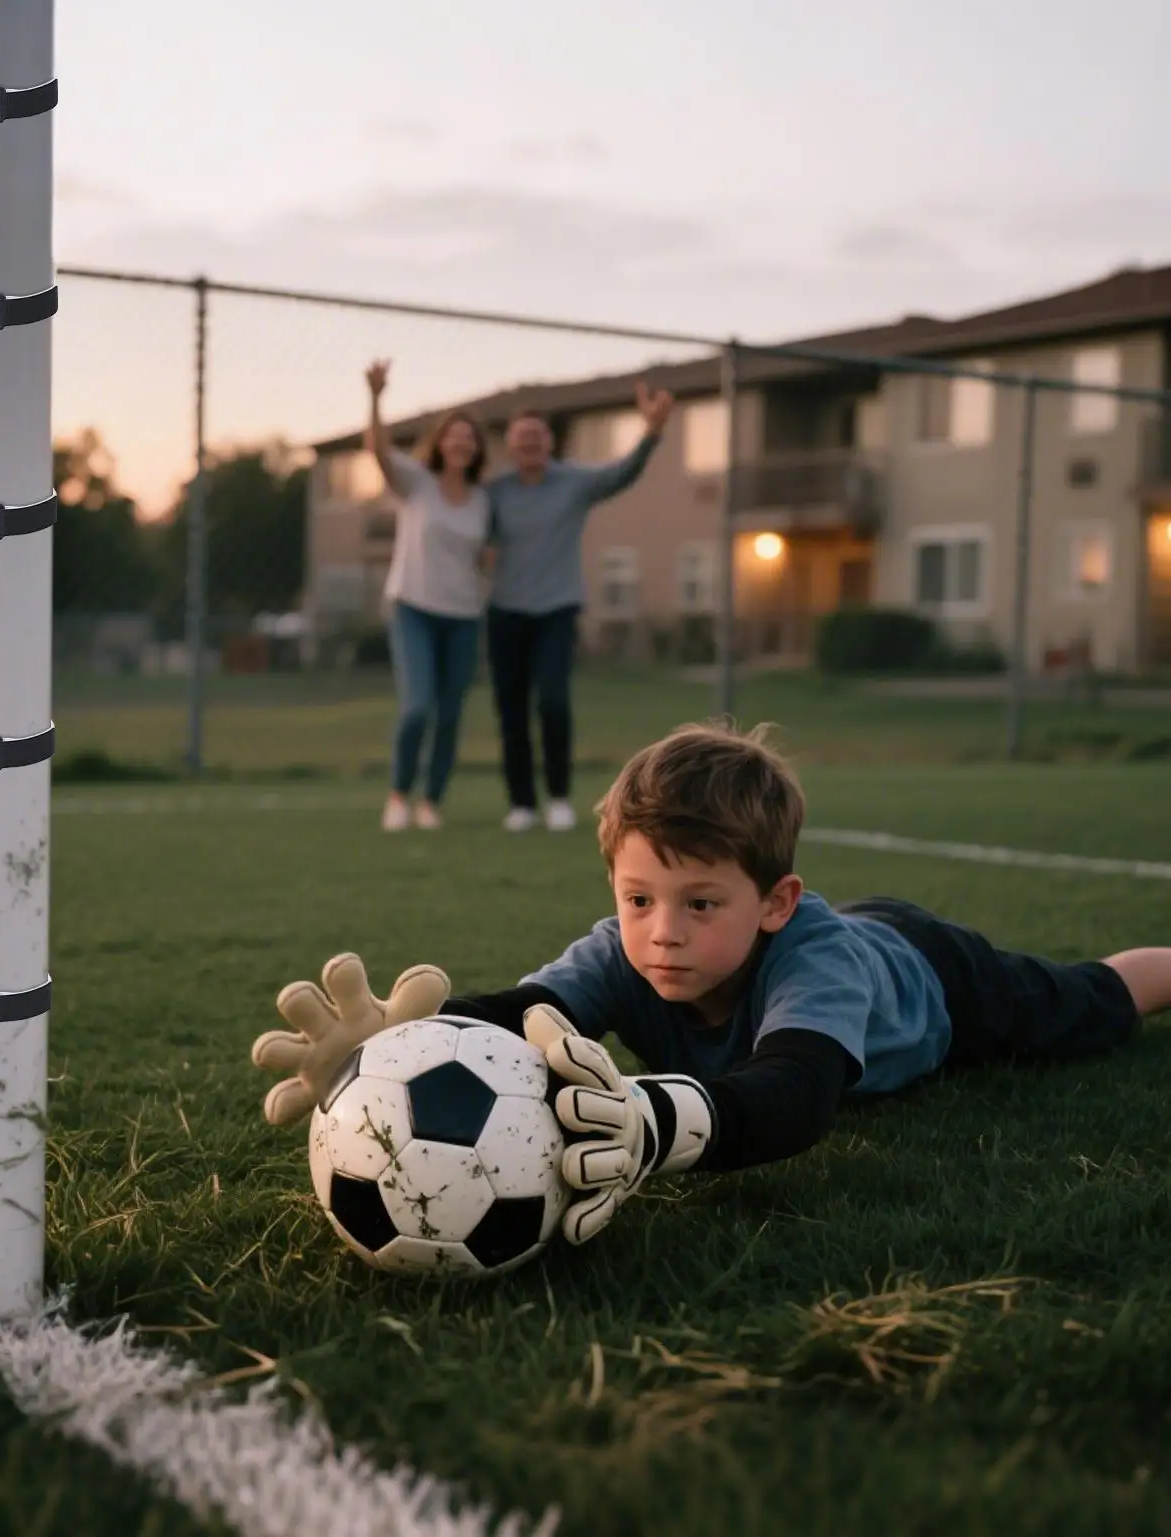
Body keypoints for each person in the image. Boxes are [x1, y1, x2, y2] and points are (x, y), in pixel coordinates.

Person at [250, 721, 1171, 1246]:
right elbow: (521, 1016)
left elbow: (800, 1096)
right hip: (868, 944)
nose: (662, 932)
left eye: (699, 903)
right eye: (639, 896)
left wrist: (655, 1124)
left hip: (930, 974)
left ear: (773, 902)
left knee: (1086, 1004)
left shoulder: (814, 957)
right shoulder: (625, 948)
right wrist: (387, 1039)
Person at [485, 383, 674, 834]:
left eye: (537, 436)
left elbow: (623, 473)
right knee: (511, 710)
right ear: (510, 445)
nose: (530, 444)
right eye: (521, 437)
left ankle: (558, 797)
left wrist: (651, 432)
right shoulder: (494, 493)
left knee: (552, 701)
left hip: (556, 608)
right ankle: (521, 804)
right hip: (505, 612)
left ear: (549, 442)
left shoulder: (574, 483)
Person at [363, 359, 490, 832]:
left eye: (469, 437)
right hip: (413, 608)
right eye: (453, 435)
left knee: (450, 714)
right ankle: (399, 794)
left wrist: (489, 562)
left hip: (462, 616)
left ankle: (431, 800)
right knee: (418, 706)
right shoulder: (416, 483)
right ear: (440, 442)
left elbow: (483, 552)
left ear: (476, 449)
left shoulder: (482, 499)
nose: (461, 442)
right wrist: (376, 396)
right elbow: (377, 450)